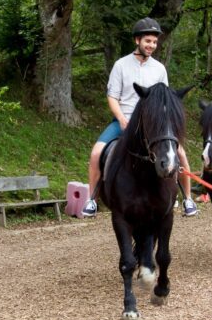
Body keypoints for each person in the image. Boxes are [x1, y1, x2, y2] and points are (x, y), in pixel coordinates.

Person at [82, 17, 198, 218]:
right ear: (137, 40)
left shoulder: (159, 69)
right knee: (96, 153)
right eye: (148, 41)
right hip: (124, 120)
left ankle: (187, 197)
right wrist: (121, 119)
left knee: (180, 154)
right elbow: (112, 97)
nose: (151, 45)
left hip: (154, 125)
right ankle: (92, 198)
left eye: (154, 42)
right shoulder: (120, 65)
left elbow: (165, 99)